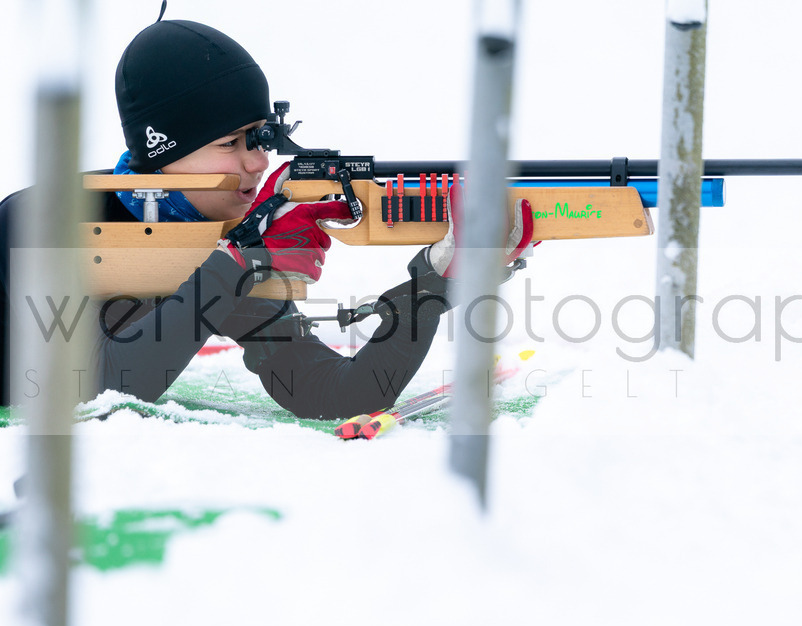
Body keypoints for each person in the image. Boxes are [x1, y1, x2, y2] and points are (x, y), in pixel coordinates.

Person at [0, 17, 532, 419]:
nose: (257, 162)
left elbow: (333, 393)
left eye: (259, 137)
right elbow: (102, 389)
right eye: (229, 143)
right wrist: (237, 264)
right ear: (162, 153)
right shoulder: (46, 223)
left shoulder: (218, 241)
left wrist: (434, 284)